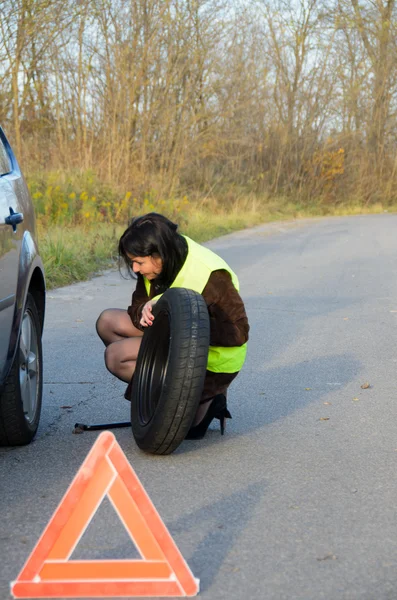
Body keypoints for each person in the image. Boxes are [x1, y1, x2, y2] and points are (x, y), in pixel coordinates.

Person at [96, 212, 249, 439]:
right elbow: (137, 304)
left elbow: (238, 332)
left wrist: (183, 324)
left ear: (159, 254)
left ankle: (203, 396)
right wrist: (145, 310)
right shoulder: (158, 262)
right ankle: (165, 394)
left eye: (139, 262)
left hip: (211, 358)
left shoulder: (210, 274)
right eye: (132, 262)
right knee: (107, 321)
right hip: (170, 336)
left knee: (116, 356)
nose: (135, 269)